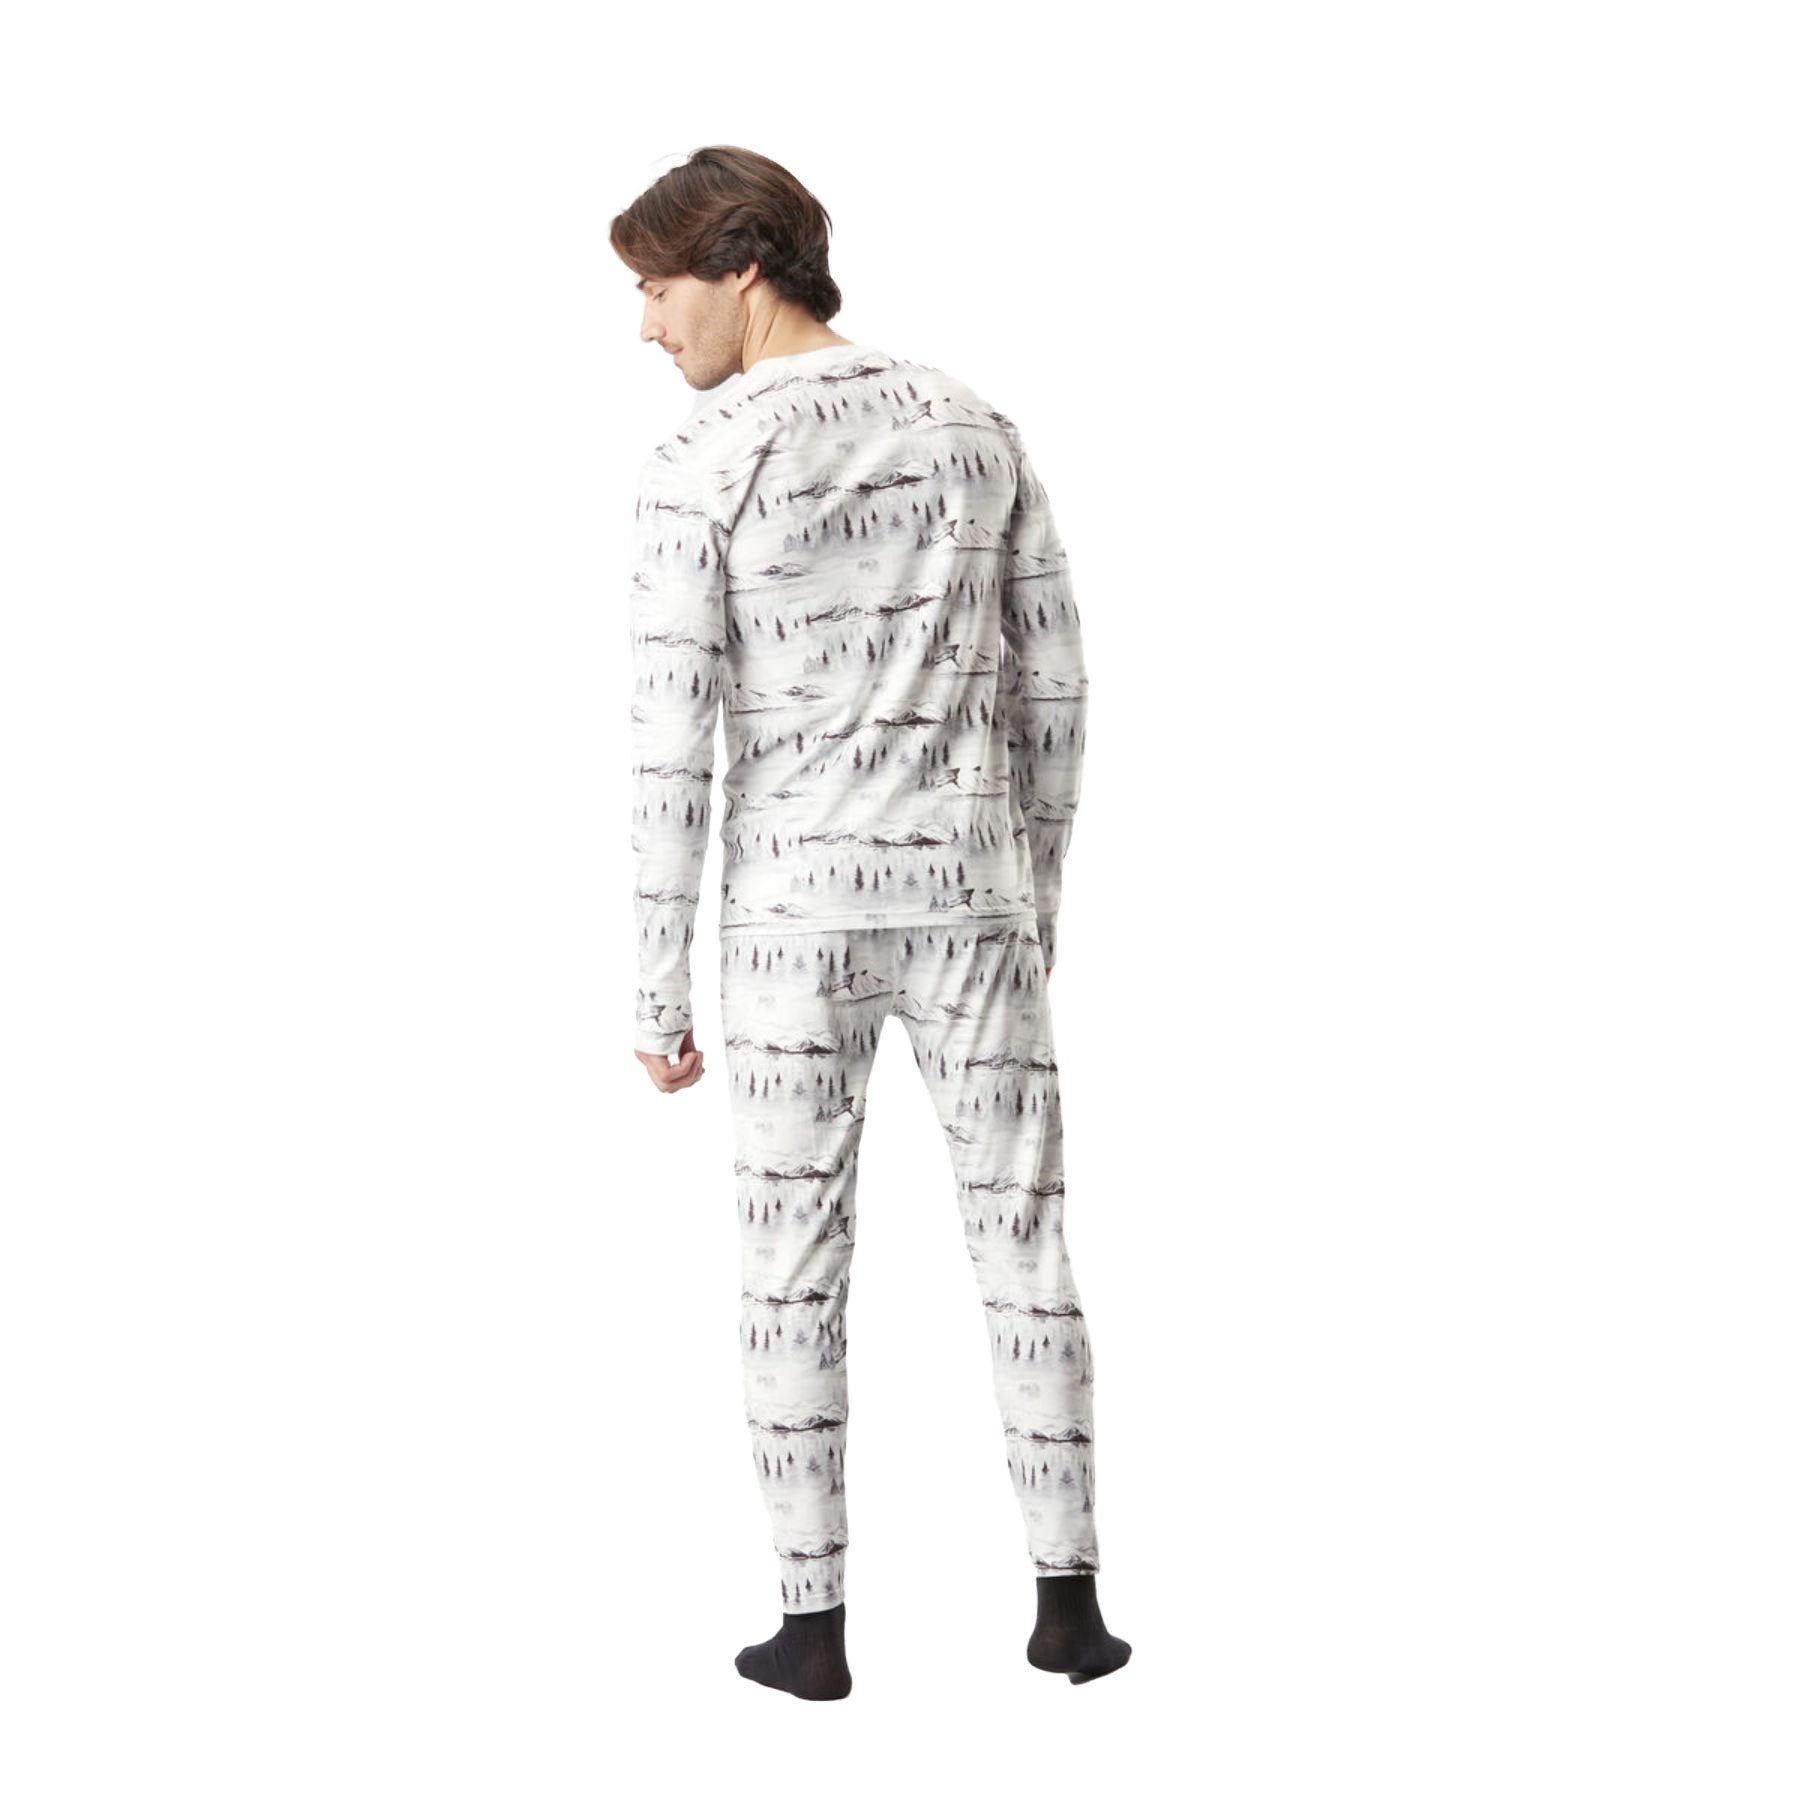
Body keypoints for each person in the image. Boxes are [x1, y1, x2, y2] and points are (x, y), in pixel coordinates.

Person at [611, 145, 1131, 1699]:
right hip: (975, 906)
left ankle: (812, 1629)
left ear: (743, 265)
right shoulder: (973, 424)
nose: (645, 325)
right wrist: (1029, 901)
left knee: (790, 1260)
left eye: (657, 287)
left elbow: (671, 744)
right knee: (1026, 1243)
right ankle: (1070, 1609)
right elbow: (1055, 686)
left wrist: (654, 994)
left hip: (794, 927)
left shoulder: (702, 459)